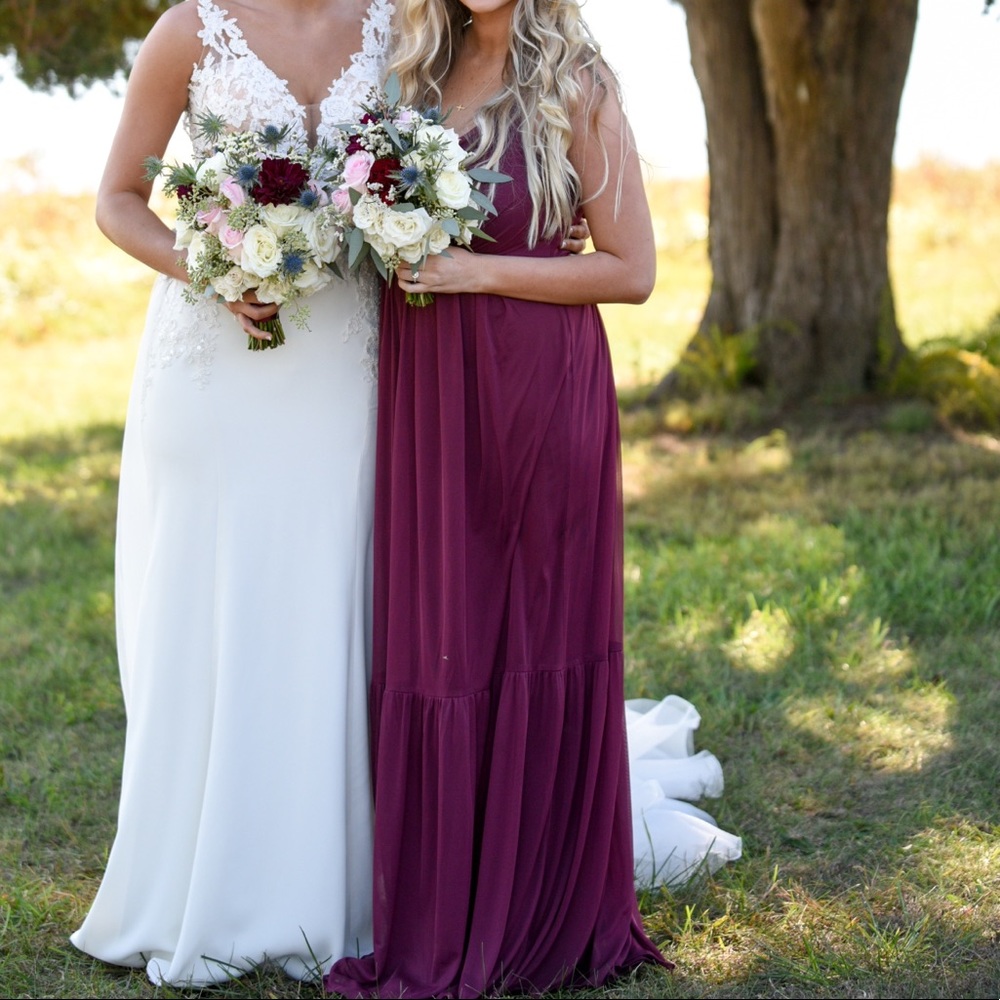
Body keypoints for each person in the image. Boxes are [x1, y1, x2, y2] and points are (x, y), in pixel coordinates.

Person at [325, 1, 740, 997]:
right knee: (439, 638)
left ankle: (533, 904)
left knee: (529, 632)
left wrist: (476, 271)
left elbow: (631, 270)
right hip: (426, 399)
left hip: (536, 392)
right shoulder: (411, 73)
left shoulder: (576, 81)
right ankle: (436, 901)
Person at [70, 0, 394, 985]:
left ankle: (334, 879)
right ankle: (197, 877)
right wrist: (208, 267)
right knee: (212, 603)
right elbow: (119, 196)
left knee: (330, 596)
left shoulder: (398, 26)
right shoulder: (189, 29)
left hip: (343, 361)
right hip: (213, 358)